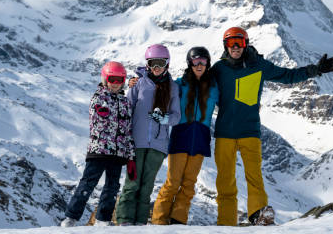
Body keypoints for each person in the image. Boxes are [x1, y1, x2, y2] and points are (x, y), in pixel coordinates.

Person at [211, 27, 333, 226]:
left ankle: (258, 215)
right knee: (225, 180)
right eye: (231, 43)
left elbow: (287, 76)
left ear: (246, 44)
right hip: (224, 133)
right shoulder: (218, 69)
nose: (235, 47)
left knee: (254, 177)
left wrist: (316, 70)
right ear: (225, 46)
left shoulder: (259, 65)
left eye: (239, 42)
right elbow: (197, 84)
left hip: (250, 131)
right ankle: (225, 224)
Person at [60, 61, 136, 227]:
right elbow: (97, 123)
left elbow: (127, 130)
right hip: (99, 150)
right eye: (112, 79)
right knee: (88, 183)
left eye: (119, 79)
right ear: (105, 79)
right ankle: (71, 217)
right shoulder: (99, 98)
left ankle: (103, 219)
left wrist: (130, 157)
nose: (115, 83)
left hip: (118, 153)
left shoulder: (125, 103)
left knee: (112, 187)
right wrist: (104, 116)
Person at [151, 47, 219, 225]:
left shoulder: (214, 87)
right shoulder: (180, 84)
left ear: (207, 64)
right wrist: (138, 80)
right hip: (181, 135)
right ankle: (158, 221)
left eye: (203, 61)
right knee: (172, 183)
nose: (199, 65)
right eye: (195, 61)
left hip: (201, 138)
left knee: (189, 184)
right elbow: (160, 84)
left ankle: (178, 222)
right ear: (190, 63)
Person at [115, 44, 181, 225]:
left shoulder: (173, 88)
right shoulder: (138, 84)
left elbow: (176, 117)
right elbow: (126, 110)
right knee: (132, 183)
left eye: (160, 63)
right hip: (137, 142)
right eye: (153, 63)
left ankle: (140, 222)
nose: (156, 68)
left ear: (167, 64)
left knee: (147, 186)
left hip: (158, 145)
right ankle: (124, 220)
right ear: (148, 65)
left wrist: (163, 118)